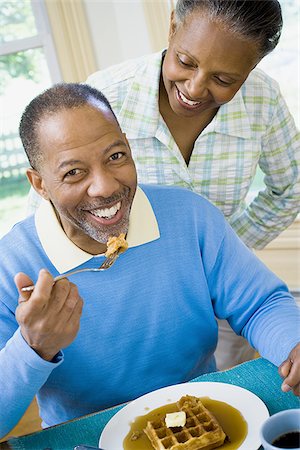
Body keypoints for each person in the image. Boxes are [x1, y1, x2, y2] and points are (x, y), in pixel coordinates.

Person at [0, 83, 299, 439]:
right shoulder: (11, 265)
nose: (105, 187)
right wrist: (35, 347)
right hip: (84, 437)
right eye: (74, 172)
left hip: (206, 414)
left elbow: (260, 304)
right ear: (40, 184)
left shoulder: (190, 215)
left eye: (115, 157)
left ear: (127, 145)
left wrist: (293, 343)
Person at [28, 0, 300, 370]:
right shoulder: (103, 99)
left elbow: (291, 187)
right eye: (185, 62)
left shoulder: (263, 100)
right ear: (172, 26)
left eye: (223, 80)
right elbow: (49, 211)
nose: (194, 88)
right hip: (134, 308)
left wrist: (224, 250)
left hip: (225, 303)